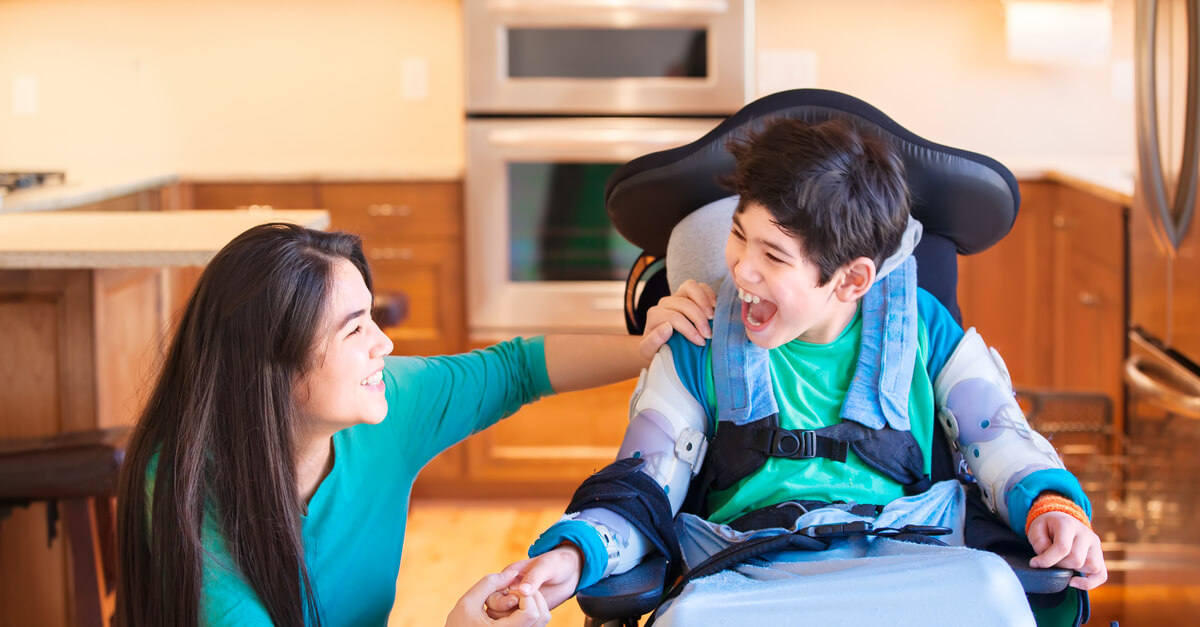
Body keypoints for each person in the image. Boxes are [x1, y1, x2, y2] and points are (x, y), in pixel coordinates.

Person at [488, 118, 1107, 625]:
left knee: (996, 595)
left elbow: (999, 439)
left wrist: (1051, 506)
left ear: (853, 278)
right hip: (750, 575)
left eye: (773, 255)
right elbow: (642, 482)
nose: (741, 270)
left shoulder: (921, 328)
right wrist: (575, 553)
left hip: (912, 568)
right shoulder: (702, 336)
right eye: (739, 237)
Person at [114, 222, 682, 627]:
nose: (383, 344)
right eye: (354, 329)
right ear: (272, 365)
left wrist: (656, 350)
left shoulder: (382, 410)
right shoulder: (188, 487)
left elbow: (518, 368)